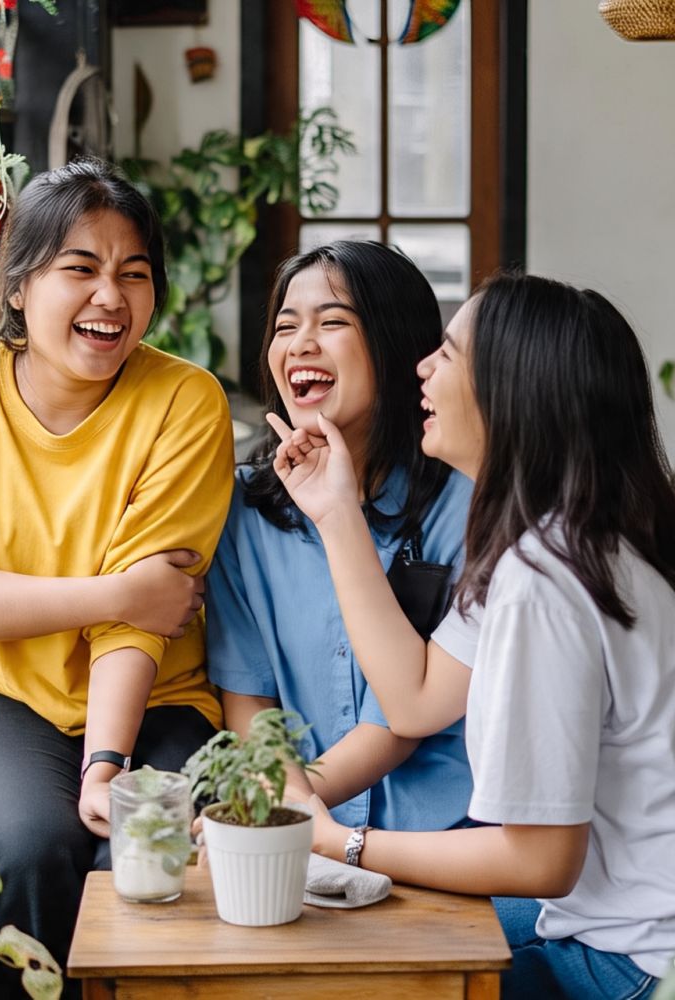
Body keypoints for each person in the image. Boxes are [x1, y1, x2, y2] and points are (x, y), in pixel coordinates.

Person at [267, 273, 675, 998]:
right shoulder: (577, 532)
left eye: (447, 355)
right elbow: (415, 699)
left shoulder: (545, 578)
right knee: (381, 926)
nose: (423, 367)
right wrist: (335, 512)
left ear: (511, 393)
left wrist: (342, 843)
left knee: (369, 967)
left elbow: (541, 862)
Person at [0, 159, 234, 998]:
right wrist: (113, 591)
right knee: (27, 843)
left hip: (158, 702)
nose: (111, 296)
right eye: (81, 268)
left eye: (133, 274)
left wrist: (105, 763)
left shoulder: (184, 399)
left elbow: (142, 624)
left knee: (148, 851)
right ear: (17, 286)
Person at [206, 240, 474, 835]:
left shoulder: (465, 503)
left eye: (332, 322)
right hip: (298, 826)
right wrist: (284, 804)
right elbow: (251, 701)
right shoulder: (243, 504)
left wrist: (294, 811)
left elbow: (408, 716)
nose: (301, 343)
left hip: (442, 835)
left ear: (396, 342)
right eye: (285, 326)